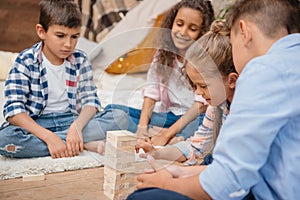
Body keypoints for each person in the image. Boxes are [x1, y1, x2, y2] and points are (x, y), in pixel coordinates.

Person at [127, 0, 300, 199]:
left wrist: (169, 182)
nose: (199, 95)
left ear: (244, 31)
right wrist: (174, 167)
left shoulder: (263, 70)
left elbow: (227, 181)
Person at [0, 0, 127, 159]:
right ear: (41, 31)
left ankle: (70, 141)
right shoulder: (25, 61)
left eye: (74, 37)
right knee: (4, 139)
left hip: (71, 120)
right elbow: (14, 111)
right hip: (39, 123)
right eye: (60, 36)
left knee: (120, 117)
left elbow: (91, 102)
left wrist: (77, 128)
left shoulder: (80, 60)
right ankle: (82, 143)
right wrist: (49, 137)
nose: (68, 44)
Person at [105, 0, 215, 146]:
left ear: (202, 32)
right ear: (172, 23)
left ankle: (176, 139)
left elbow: (201, 105)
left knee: (208, 123)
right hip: (169, 117)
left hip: (194, 117)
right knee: (113, 111)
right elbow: (152, 89)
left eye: (192, 28)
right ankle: (162, 135)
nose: (182, 32)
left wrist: (167, 134)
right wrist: (142, 127)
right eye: (179, 24)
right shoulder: (164, 53)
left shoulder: (204, 58)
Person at [136, 19, 237, 166]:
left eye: (203, 86)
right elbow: (194, 148)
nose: (199, 93)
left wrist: (185, 174)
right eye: (195, 86)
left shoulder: (245, 111)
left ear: (232, 80)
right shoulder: (216, 108)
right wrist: (156, 152)